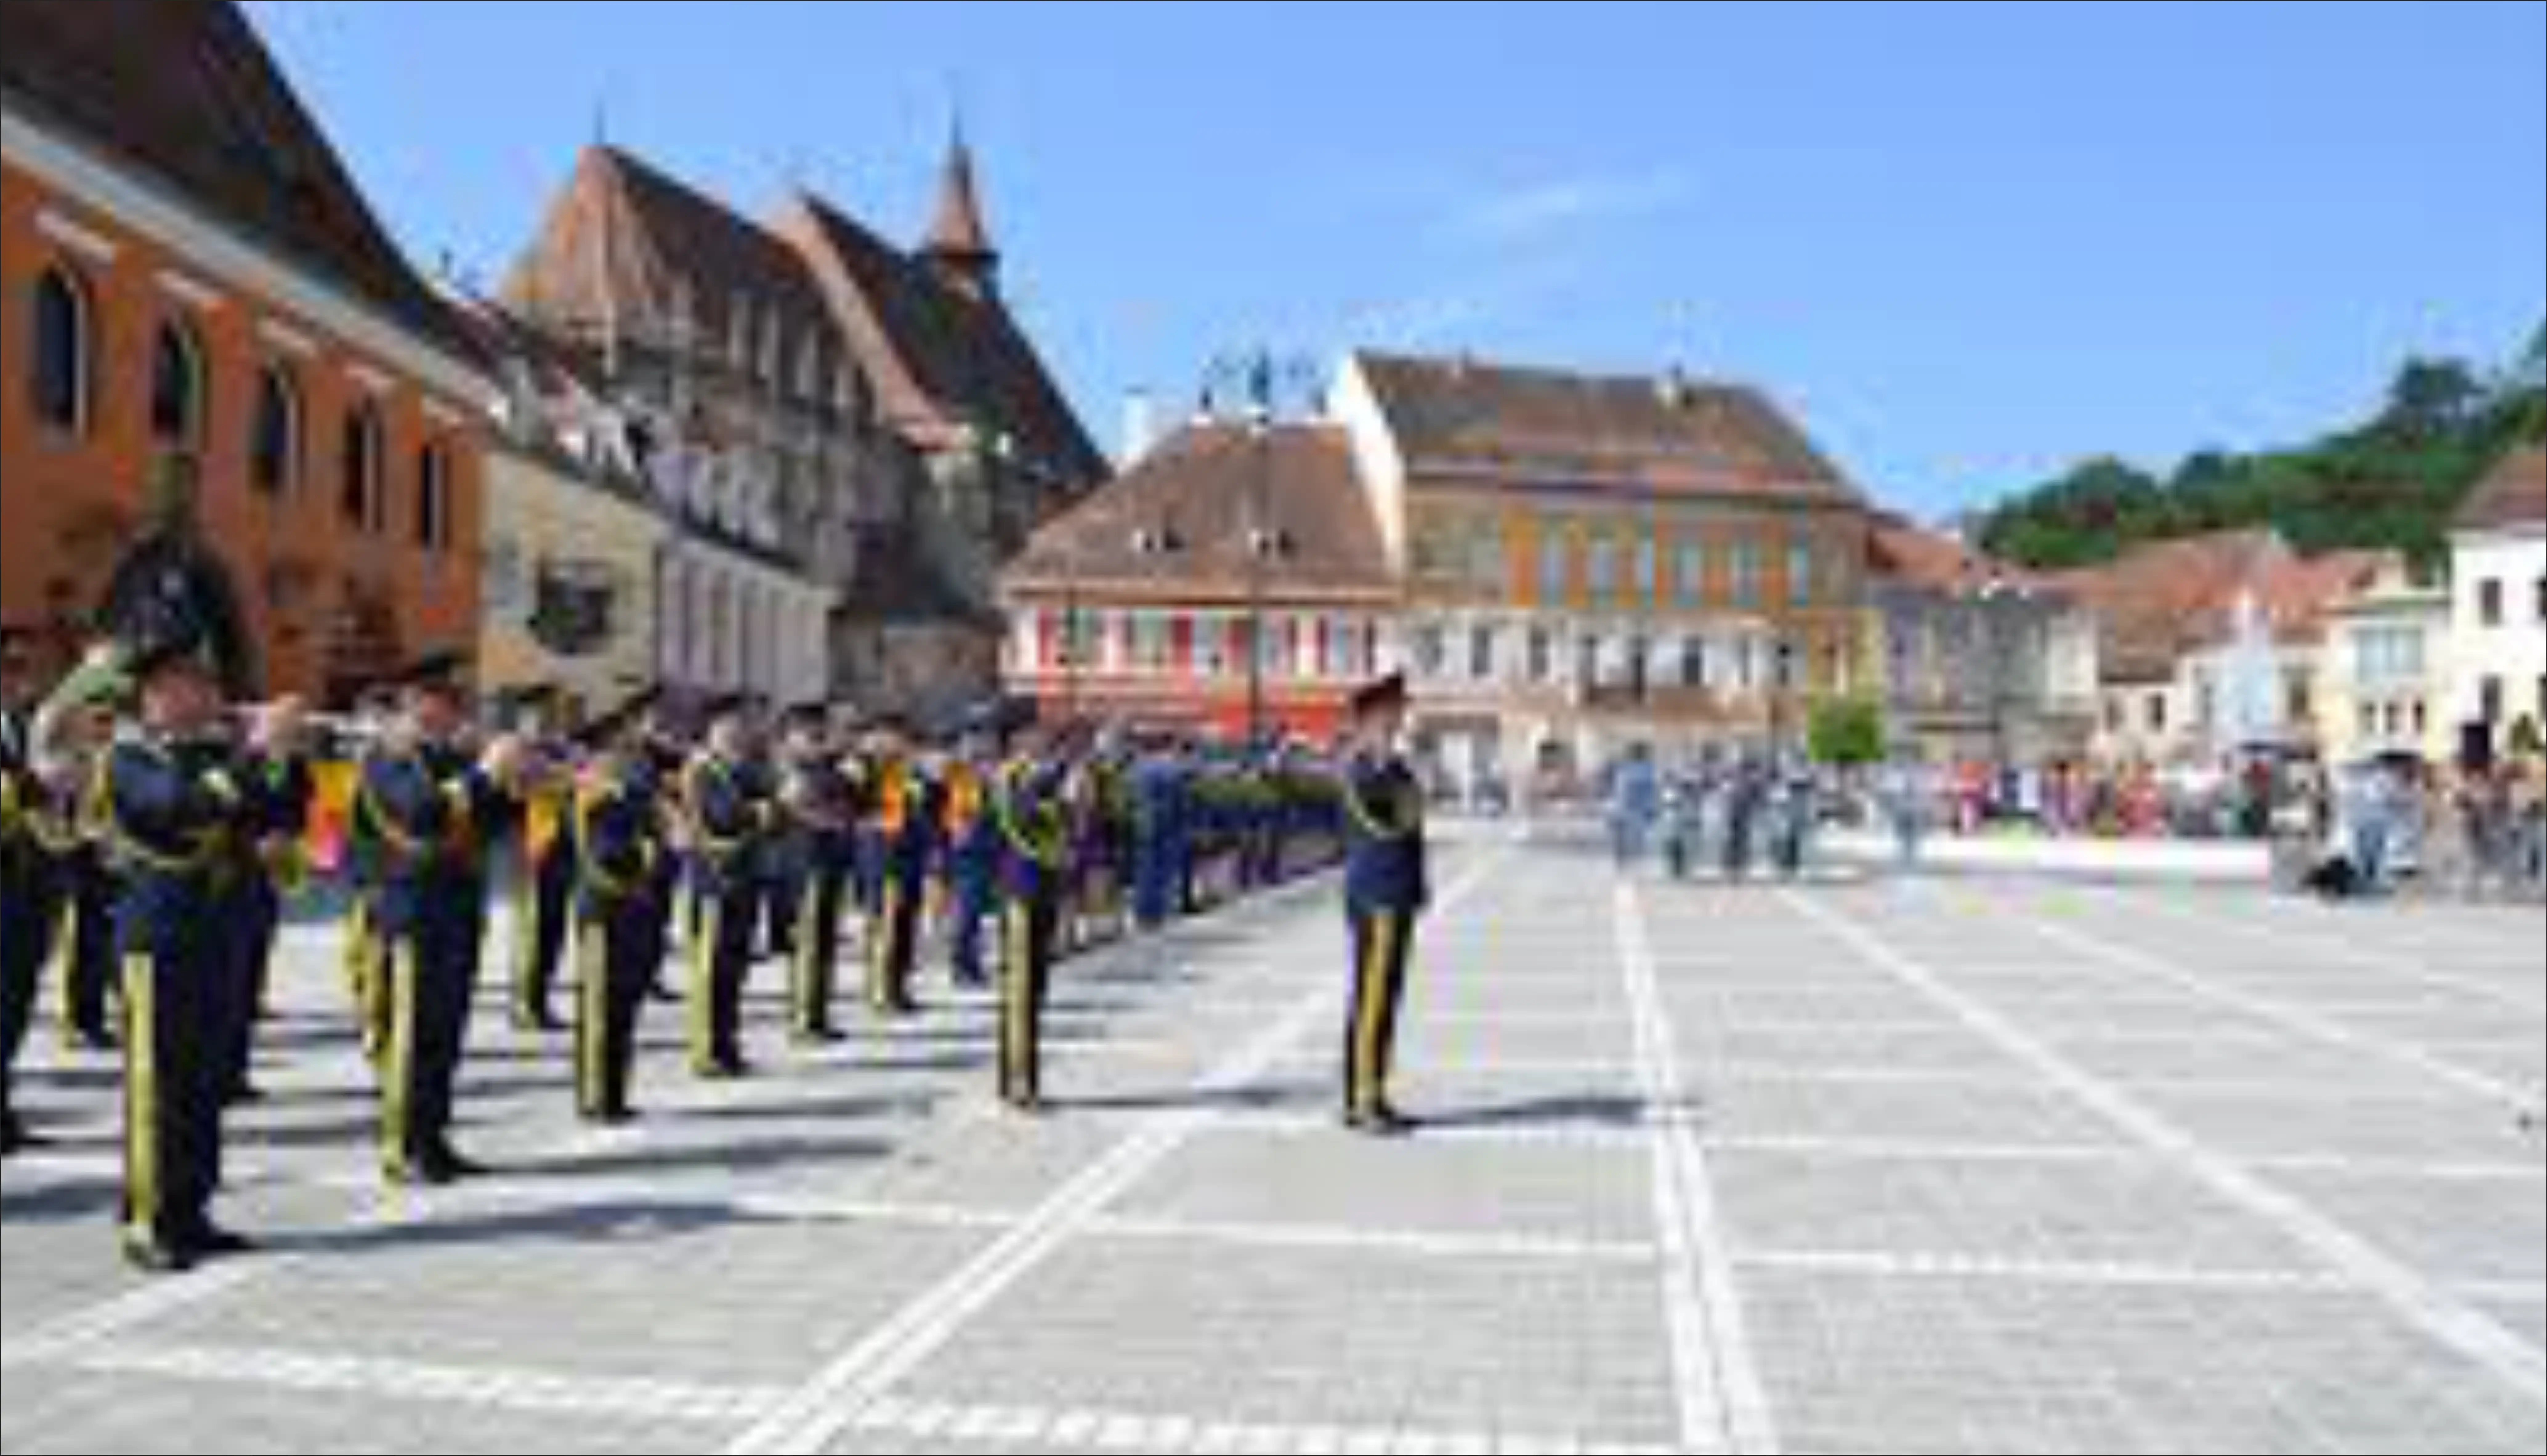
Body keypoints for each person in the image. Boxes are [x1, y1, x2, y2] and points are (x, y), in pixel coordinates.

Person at [97, 624, 252, 1270]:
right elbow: (176, 810)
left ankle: (190, 1208)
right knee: (157, 1084)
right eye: (189, 685)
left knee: (205, 1082)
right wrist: (245, 759)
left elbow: (273, 813)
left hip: (214, 937)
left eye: (206, 685)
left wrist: (278, 757)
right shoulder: (128, 760)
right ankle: (146, 1219)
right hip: (155, 942)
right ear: (152, 696)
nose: (203, 695)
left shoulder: (209, 755)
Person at [357, 651, 523, 1186]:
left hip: (456, 907)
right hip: (409, 910)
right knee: (410, 1034)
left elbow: (492, 827)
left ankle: (433, 1137)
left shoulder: (451, 758)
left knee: (445, 1034)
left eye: (458, 700)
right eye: (445, 699)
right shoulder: (386, 756)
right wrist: (481, 774)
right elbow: (419, 814)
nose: (457, 709)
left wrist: (510, 783)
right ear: (412, 702)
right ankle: (400, 1142)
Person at [568, 691, 669, 1124]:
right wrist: (651, 849)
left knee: (623, 1006)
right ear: (600, 756)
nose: (628, 755)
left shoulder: (626, 794)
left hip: (632, 908)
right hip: (604, 910)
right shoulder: (594, 796)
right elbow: (607, 856)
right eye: (619, 748)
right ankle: (595, 1094)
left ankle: (614, 1092)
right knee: (601, 1008)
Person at [1338, 673, 1429, 1137]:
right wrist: (1391, 771)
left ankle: (1373, 1090)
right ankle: (1362, 1099)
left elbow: (1409, 816)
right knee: (1372, 999)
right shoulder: (1362, 768)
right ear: (1373, 717)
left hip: (1396, 893)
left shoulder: (1391, 768)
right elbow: (1390, 824)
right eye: (1394, 712)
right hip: (1377, 895)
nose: (1400, 720)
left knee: (1385, 997)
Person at [678, 695, 772, 1079]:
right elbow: (722, 818)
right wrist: (761, 812)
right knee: (711, 971)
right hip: (716, 882)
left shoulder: (740, 769)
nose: (738, 733)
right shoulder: (701, 771)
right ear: (711, 731)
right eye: (729, 727)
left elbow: (774, 805)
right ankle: (706, 1049)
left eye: (741, 726)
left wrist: (763, 810)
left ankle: (728, 1044)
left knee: (734, 970)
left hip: (744, 878)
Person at [990, 702, 1069, 1113]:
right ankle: (1019, 1082)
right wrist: (1050, 797)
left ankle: (1018, 1078)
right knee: (1020, 990)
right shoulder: (1010, 776)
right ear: (1017, 737)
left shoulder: (1044, 775)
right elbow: (1018, 824)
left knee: (1036, 987)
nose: (1044, 736)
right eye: (1036, 730)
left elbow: (1066, 827)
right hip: (1020, 888)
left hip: (1044, 884)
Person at [776, 705, 856, 1043]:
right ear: (792, 737)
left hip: (831, 860)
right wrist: (828, 815)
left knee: (824, 942)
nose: (818, 742)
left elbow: (857, 804)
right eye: (811, 735)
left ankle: (819, 1012)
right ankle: (803, 1018)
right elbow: (795, 810)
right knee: (809, 942)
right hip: (804, 862)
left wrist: (852, 778)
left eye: (820, 735)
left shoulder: (831, 768)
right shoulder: (788, 770)